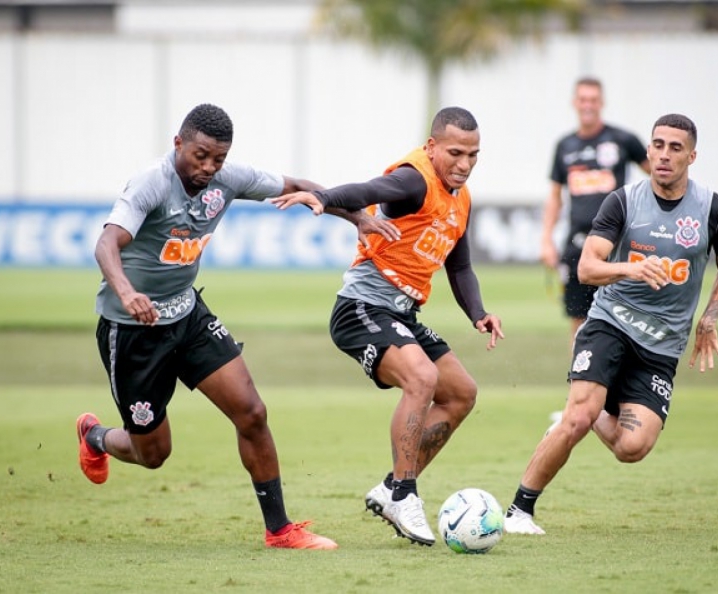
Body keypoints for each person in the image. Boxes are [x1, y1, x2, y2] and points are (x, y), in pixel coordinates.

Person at [76, 103, 399, 550]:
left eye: (218, 159)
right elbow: (106, 242)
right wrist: (129, 293)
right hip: (132, 331)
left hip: (187, 316)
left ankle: (280, 530)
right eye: (200, 156)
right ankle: (94, 436)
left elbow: (301, 186)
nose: (208, 167)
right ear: (178, 144)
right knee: (152, 454)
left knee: (252, 412)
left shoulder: (228, 178)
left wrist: (358, 216)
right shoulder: (151, 183)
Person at [270, 107, 504, 546]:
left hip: (400, 314)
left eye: (474, 155)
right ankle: (404, 493)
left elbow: (461, 264)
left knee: (461, 394)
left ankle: (391, 486)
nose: (465, 164)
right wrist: (323, 198)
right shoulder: (414, 179)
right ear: (432, 147)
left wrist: (478, 312)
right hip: (360, 308)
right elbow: (370, 188)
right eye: (455, 152)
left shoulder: (461, 198)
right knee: (423, 377)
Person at [504, 113, 718, 535]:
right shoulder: (624, 201)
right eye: (658, 145)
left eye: (675, 148)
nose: (665, 155)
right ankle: (519, 510)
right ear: (647, 151)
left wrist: (709, 317)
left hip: (662, 346)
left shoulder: (715, 211)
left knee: (632, 448)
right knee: (576, 418)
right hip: (610, 323)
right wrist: (632, 269)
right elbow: (588, 268)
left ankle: (591, 407)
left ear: (692, 156)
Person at [541, 77, 650, 341]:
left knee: (623, 316)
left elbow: (658, 177)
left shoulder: (622, 139)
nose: (587, 105)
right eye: (582, 99)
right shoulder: (564, 146)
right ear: (574, 103)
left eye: (593, 100)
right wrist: (546, 240)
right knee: (579, 320)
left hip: (617, 243)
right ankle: (579, 379)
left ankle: (622, 379)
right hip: (577, 244)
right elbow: (556, 196)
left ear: (601, 103)